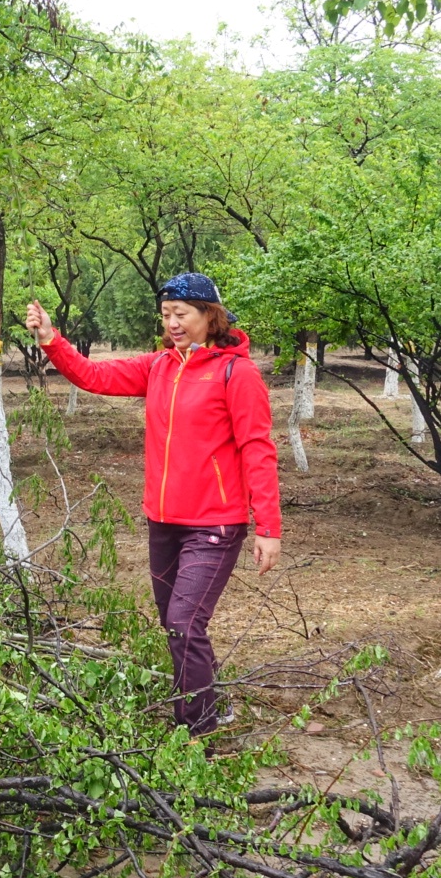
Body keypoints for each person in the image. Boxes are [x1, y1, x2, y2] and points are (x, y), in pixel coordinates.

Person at [25, 272, 282, 738]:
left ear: (210, 316)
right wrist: (51, 339)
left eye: (181, 313)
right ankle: (213, 701)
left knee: (185, 623)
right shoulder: (159, 366)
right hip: (163, 521)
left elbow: (257, 449)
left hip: (215, 523)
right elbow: (94, 376)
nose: (172, 323)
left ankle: (195, 735)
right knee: (175, 623)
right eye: (166, 315)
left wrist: (268, 526)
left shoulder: (237, 373)